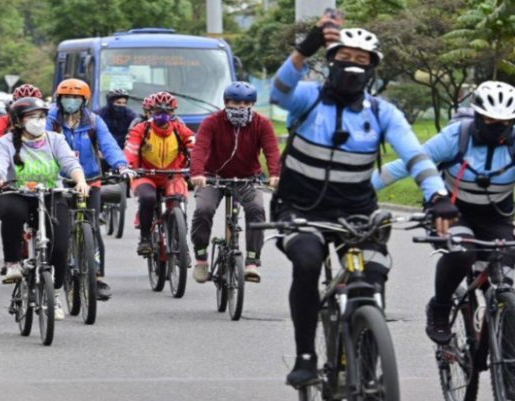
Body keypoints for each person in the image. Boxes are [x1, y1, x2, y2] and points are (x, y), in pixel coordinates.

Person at [269, 15, 458, 387]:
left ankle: (368, 366)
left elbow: (416, 156)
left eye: (363, 59)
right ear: (332, 60)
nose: (353, 65)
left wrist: (437, 196)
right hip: (300, 209)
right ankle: (306, 354)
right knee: (307, 261)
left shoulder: (382, 113)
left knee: (371, 277)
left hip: (357, 212)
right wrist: (304, 50)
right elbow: (278, 93)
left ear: (372, 68)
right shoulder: (307, 99)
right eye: (346, 57)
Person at [373, 81, 515, 345]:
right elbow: (407, 165)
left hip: (495, 215)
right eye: (490, 120)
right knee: (463, 253)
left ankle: (503, 328)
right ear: (477, 114)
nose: (498, 127)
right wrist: (359, 190)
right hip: (451, 211)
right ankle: (440, 308)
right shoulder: (455, 137)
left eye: (505, 122)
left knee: (508, 259)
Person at [0, 96, 89, 321]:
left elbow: (70, 163)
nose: (38, 121)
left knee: (61, 245)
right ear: (18, 121)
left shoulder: (55, 139)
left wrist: (80, 180)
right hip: (16, 193)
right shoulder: (5, 142)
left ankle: (55, 293)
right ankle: (13, 262)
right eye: (32, 117)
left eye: (42, 117)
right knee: (14, 212)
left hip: (51, 195)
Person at [189, 81, 281, 283]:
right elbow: (200, 148)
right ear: (225, 102)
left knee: (257, 209)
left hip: (248, 178)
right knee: (203, 210)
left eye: (247, 103)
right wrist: (197, 173)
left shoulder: (262, 123)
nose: (241, 107)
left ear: (253, 104)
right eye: (236, 102)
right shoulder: (212, 122)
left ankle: (252, 261)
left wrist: (275, 174)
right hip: (213, 177)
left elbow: (272, 150)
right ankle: (201, 258)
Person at [47, 78, 129, 301]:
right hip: (59, 182)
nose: (70, 101)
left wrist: (121, 165)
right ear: (59, 99)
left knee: (92, 228)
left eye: (75, 97)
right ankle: (51, 272)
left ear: (84, 100)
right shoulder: (50, 120)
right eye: (66, 97)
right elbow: (41, 145)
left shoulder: (94, 121)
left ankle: (97, 276)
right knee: (58, 230)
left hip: (90, 180)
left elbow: (108, 144)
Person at [124, 91, 194, 255]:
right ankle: (145, 239)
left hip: (173, 175)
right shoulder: (141, 129)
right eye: (157, 111)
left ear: (173, 113)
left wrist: (200, 166)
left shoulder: (179, 129)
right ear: (150, 113)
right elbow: (131, 149)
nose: (162, 115)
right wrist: (127, 167)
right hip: (146, 175)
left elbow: (193, 144)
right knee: (148, 198)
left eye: (167, 112)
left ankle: (180, 246)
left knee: (178, 202)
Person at [0, 84, 43, 166]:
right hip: (10, 162)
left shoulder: (45, 120)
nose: (27, 110)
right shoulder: (4, 120)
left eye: (32, 106)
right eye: (22, 106)